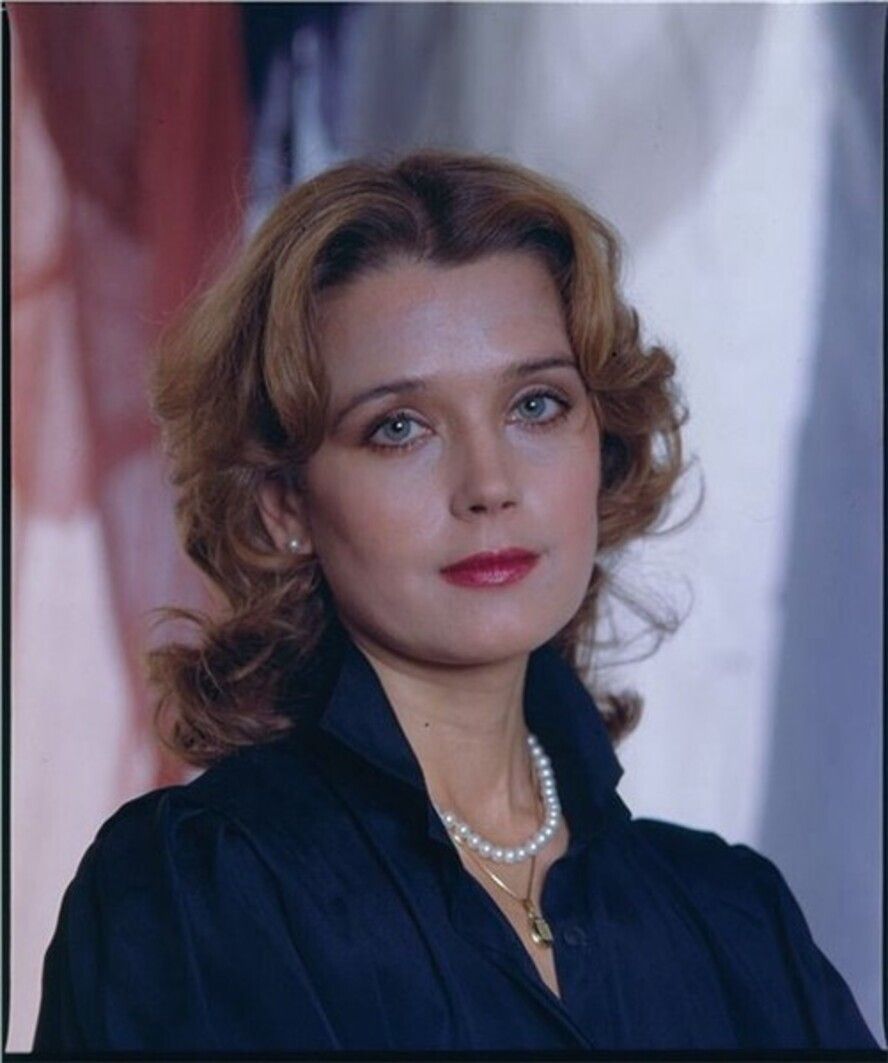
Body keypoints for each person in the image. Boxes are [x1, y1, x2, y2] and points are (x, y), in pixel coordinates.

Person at [33, 152, 877, 1052]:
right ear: (284, 504)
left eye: (536, 406)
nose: (489, 485)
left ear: (603, 445)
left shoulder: (735, 919)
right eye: (399, 427)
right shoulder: (194, 890)